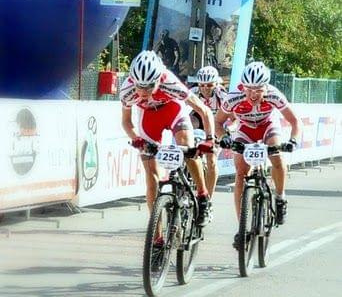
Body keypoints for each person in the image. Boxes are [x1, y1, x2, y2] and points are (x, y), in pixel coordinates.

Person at [120, 50, 215, 227]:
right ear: (133, 80)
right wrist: (136, 138)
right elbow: (126, 121)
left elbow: (204, 110)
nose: (143, 91)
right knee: (151, 175)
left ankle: (203, 196)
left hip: (173, 110)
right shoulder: (127, 90)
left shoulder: (169, 81)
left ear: (158, 79)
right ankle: (157, 238)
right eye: (139, 86)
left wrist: (209, 139)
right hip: (149, 118)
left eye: (149, 87)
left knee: (187, 147)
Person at [215, 61, 301, 247]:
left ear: (266, 87)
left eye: (258, 90)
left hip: (268, 126)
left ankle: (280, 198)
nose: (253, 94)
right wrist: (224, 138)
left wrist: (293, 140)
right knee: (240, 173)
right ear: (243, 87)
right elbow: (217, 123)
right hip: (245, 129)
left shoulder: (274, 95)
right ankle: (242, 228)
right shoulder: (233, 97)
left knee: (277, 155)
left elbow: (295, 121)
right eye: (249, 89)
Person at [190, 66, 227, 197]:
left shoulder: (222, 95)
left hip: (215, 125)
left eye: (210, 85)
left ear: (216, 84)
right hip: (198, 123)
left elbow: (233, 118)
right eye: (202, 85)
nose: (205, 88)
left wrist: (227, 132)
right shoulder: (192, 92)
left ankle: (208, 200)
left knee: (211, 161)